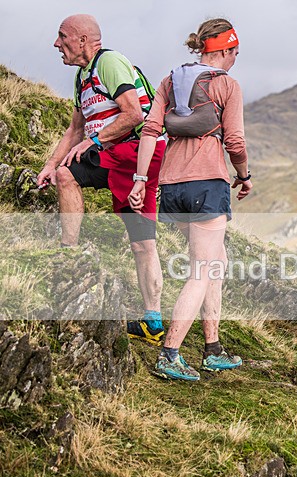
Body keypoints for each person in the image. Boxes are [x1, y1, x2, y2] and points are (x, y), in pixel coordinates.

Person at [130, 18, 252, 381]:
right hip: (206, 184)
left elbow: (150, 131)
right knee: (203, 269)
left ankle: (212, 348)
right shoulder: (227, 85)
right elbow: (235, 143)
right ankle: (170, 353)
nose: (235, 60)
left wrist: (140, 180)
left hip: (171, 185)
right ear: (226, 50)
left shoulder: (170, 80)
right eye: (235, 54)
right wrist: (244, 176)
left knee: (217, 260)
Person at [37, 14, 166, 344]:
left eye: (61, 36)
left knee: (70, 173)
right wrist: (49, 165)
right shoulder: (82, 77)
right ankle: (153, 321)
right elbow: (74, 130)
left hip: (133, 151)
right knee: (142, 243)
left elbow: (134, 113)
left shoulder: (109, 62)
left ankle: (68, 253)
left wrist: (93, 142)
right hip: (125, 159)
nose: (56, 44)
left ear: (82, 40)